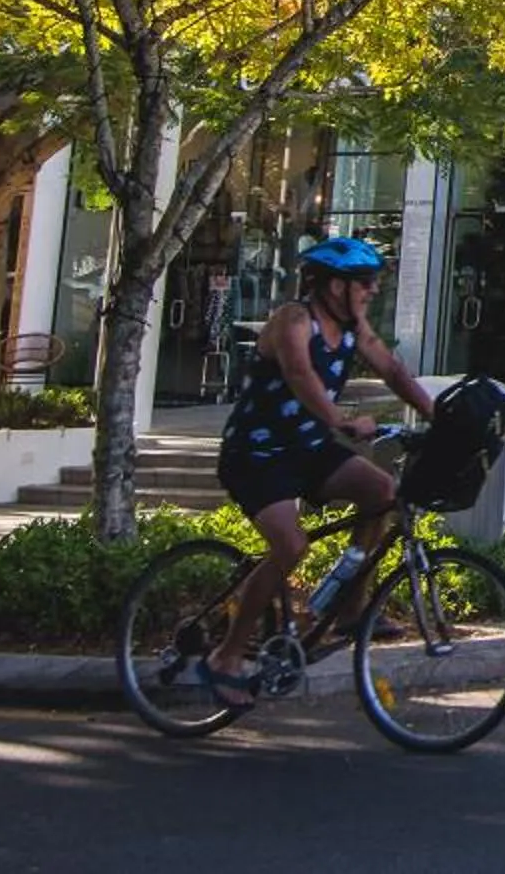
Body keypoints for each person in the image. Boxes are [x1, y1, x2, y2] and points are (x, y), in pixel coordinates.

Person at [203, 235, 436, 706]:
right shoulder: (293, 320)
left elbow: (392, 369)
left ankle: (350, 605)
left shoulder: (354, 326)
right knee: (291, 546)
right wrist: (342, 421)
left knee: (383, 492)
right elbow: (299, 374)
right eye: (364, 283)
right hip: (256, 455)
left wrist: (438, 417)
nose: (372, 291)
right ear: (334, 286)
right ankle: (225, 656)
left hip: (308, 449)